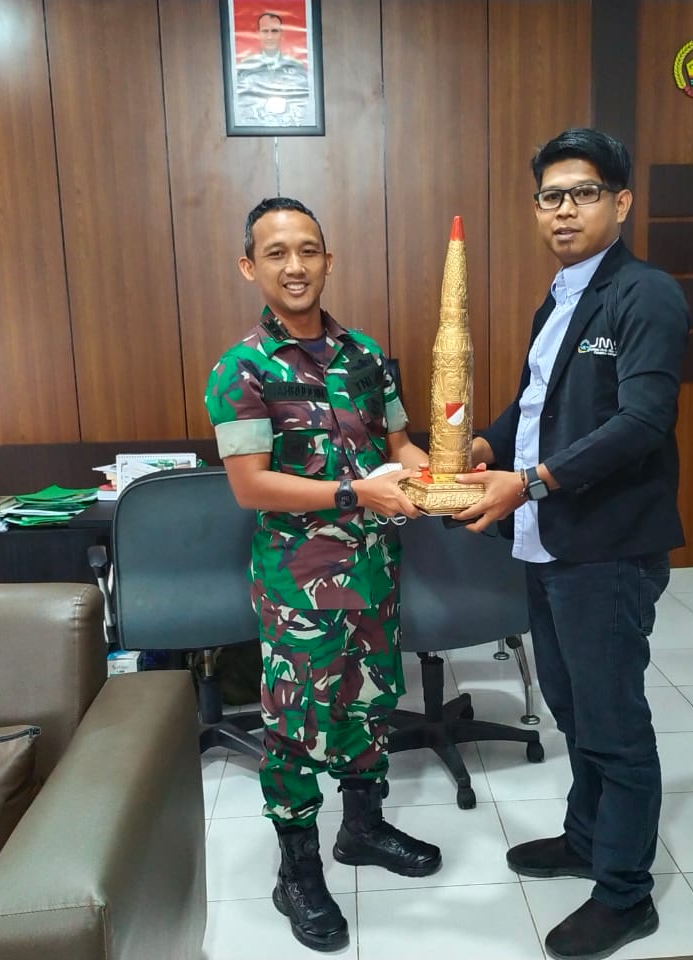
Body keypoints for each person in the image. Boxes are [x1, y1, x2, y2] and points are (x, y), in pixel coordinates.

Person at [453, 128, 689, 960]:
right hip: (548, 543)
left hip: (607, 548)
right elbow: (534, 402)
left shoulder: (646, 295)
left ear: (620, 203)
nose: (563, 210)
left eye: (583, 193)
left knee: (614, 721)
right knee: (571, 706)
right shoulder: (558, 297)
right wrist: (487, 445)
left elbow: (642, 421)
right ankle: (587, 838)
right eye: (550, 196)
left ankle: (625, 894)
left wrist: (532, 480)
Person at [204, 197, 440, 953]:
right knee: (297, 723)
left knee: (371, 700)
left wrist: (431, 473)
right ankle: (297, 872)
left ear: (329, 260)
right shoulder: (242, 369)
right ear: (250, 267)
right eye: (276, 253)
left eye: (308, 250)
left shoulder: (365, 353)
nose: (295, 265)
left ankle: (363, 829)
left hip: (373, 569)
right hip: (299, 583)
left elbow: (399, 445)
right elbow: (251, 486)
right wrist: (356, 493)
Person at [234, 11, 311, 127]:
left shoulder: (297, 68)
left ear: (281, 34)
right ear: (258, 34)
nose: (270, 37)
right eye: (265, 31)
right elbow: (240, 107)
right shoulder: (245, 68)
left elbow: (305, 106)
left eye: (274, 31)